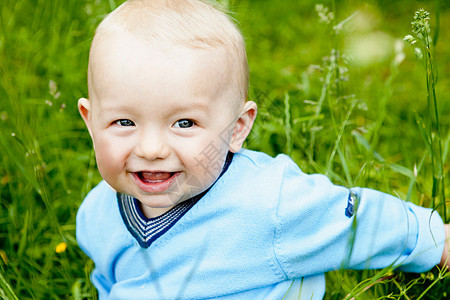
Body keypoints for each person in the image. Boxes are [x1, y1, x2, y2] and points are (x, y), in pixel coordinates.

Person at [76, 0, 449, 299]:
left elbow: (358, 223)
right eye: (124, 123)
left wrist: (434, 239)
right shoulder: (97, 213)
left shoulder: (270, 202)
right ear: (91, 122)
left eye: (185, 123)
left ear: (236, 129)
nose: (152, 148)